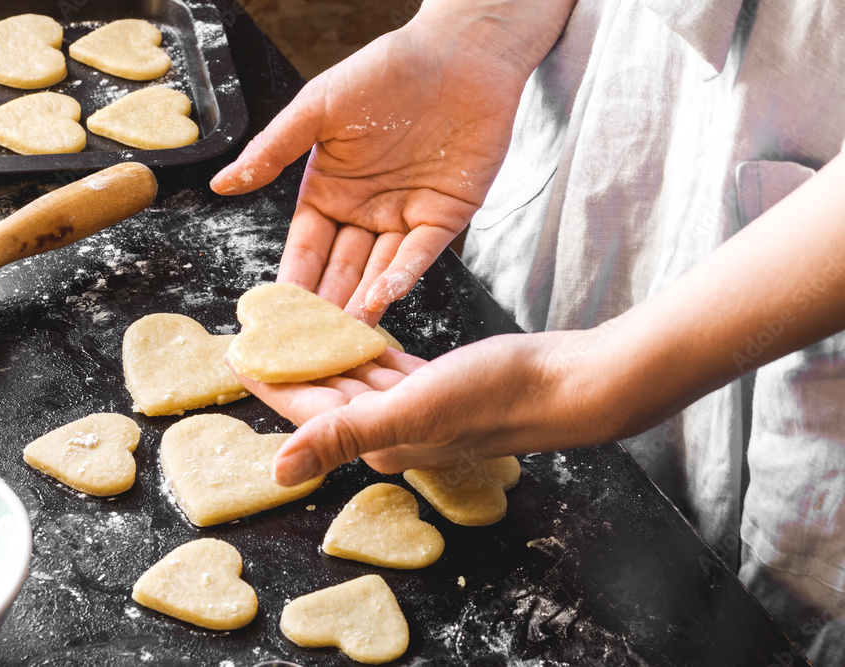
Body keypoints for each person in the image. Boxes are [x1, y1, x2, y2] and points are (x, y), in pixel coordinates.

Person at [210, 0, 845, 662]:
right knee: (579, 546)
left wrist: (594, 376)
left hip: (818, 231)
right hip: (614, 76)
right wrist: (479, 27)